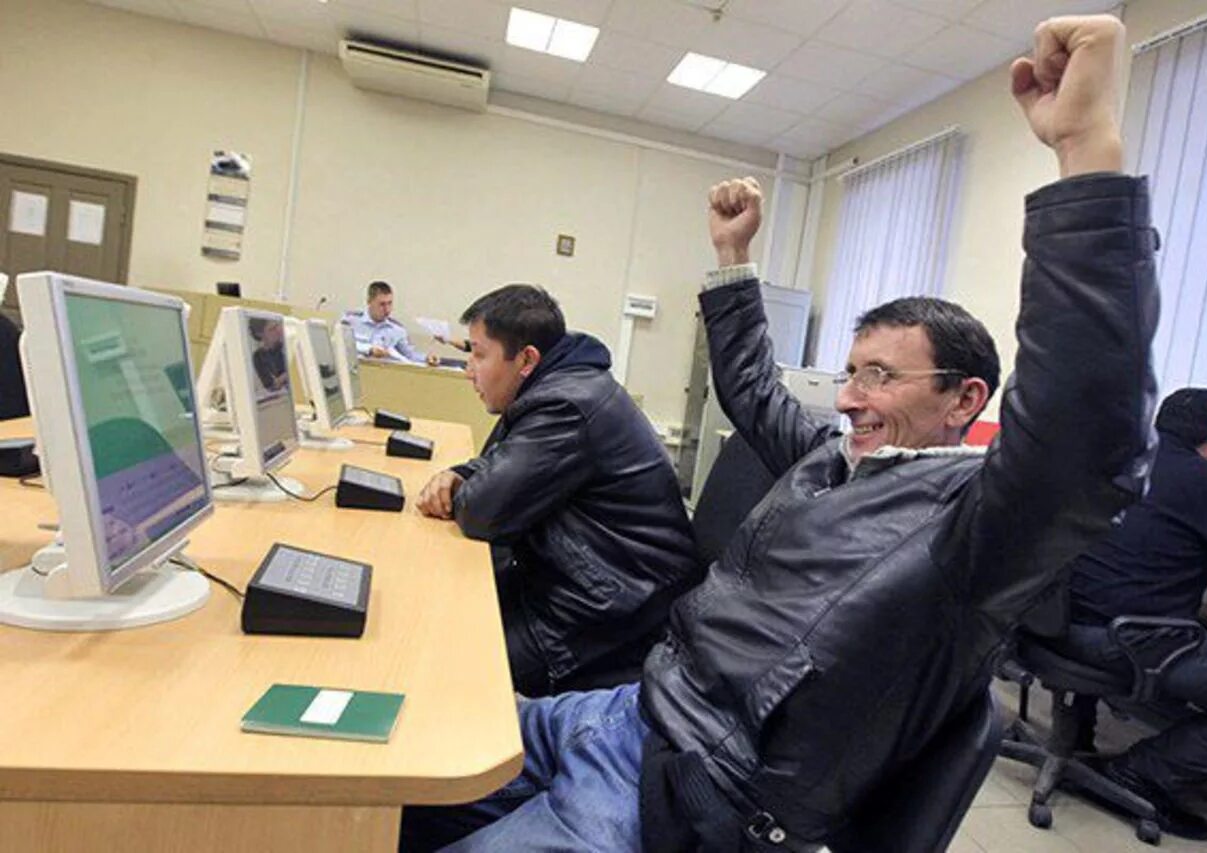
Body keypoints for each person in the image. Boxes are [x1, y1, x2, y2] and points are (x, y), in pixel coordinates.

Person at [400, 14, 1161, 851]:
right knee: (383, 769)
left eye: (879, 376)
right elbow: (753, 391)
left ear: (964, 397)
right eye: (850, 372)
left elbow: (1085, 431)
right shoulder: (838, 462)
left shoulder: (976, 527)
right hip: (624, 711)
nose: (849, 399)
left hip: (690, 787)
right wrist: (733, 259)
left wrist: (1086, 150)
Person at [416, 283, 699, 697]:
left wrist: (467, 486)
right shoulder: (560, 386)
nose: (469, 370)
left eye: (479, 354)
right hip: (582, 589)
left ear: (527, 359)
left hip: (600, 620)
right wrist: (460, 472)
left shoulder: (566, 406)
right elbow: (506, 462)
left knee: (439, 660)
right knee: (437, 611)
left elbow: (482, 511)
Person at [1061, 388, 1207, 839]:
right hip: (1129, 641)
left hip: (1056, 624)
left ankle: (1097, 743)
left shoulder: (1115, 459)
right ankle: (1137, 772)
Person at [343, 281, 428, 363]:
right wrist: (369, 349)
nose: (387, 309)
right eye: (382, 304)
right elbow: (340, 344)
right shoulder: (351, 320)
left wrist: (427, 359)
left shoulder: (397, 329)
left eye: (390, 303)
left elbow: (410, 355)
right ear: (369, 302)